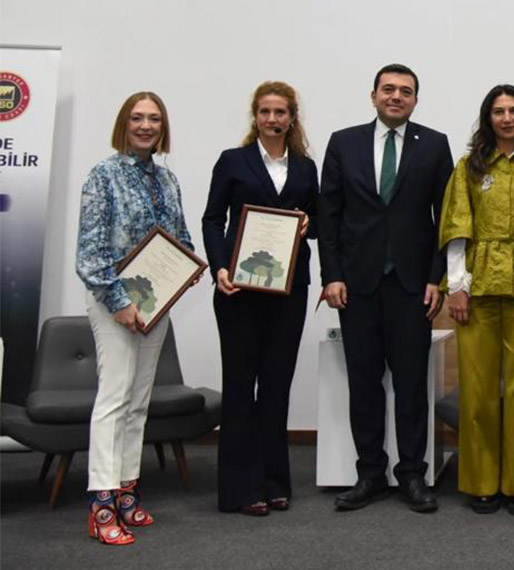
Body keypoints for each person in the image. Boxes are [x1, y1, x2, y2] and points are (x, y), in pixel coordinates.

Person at [317, 64, 454, 513]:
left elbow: (446, 220)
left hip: (413, 287)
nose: (397, 96)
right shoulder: (343, 143)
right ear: (373, 95)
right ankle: (370, 473)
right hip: (357, 285)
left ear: (416, 100)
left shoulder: (434, 145)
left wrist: (438, 278)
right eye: (389, 89)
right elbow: (329, 216)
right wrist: (331, 275)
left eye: (406, 91)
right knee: (364, 383)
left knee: (412, 384)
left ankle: (412, 474)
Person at [76, 91, 195, 545]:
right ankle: (100, 502)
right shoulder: (103, 176)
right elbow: (90, 253)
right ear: (124, 123)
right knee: (114, 397)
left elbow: (178, 237)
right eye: (138, 118)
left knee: (139, 399)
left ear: (163, 128)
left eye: (154, 119)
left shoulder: (167, 180)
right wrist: (119, 301)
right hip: (116, 304)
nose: (146, 126)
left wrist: (188, 270)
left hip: (156, 304)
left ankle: (127, 491)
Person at [438, 85, 514, 516]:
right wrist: (456, 285)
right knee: (478, 389)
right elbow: (456, 224)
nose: (507, 118)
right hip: (479, 286)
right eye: (498, 111)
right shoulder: (468, 167)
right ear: (487, 118)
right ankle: (481, 483)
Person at [202, 81, 318, 516]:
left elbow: (321, 221)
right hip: (238, 290)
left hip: (289, 291)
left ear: (292, 118)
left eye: (281, 112)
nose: (273, 119)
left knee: (275, 388)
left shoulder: (306, 168)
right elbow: (213, 219)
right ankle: (239, 489)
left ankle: (273, 481)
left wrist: (309, 220)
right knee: (239, 387)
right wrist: (219, 268)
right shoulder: (232, 162)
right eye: (265, 112)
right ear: (255, 116)